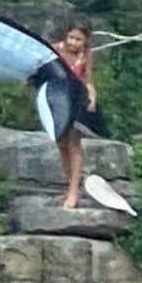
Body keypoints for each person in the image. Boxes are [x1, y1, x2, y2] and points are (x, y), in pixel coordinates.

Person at [49, 20, 107, 210]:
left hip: (77, 101)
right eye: (71, 38)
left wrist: (92, 97)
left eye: (78, 39)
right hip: (58, 100)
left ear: (86, 41)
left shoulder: (86, 55)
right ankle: (71, 185)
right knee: (61, 144)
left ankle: (74, 191)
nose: (73, 43)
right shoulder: (54, 50)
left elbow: (87, 79)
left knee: (74, 144)